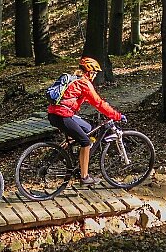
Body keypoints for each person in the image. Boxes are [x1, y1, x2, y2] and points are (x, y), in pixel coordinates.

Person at [47, 56, 126, 185]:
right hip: (62, 115)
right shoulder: (84, 82)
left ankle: (62, 154)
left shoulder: (76, 79)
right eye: (94, 73)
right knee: (86, 142)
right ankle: (84, 177)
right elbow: (99, 103)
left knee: (88, 129)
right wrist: (116, 115)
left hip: (57, 114)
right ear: (89, 72)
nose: (95, 76)